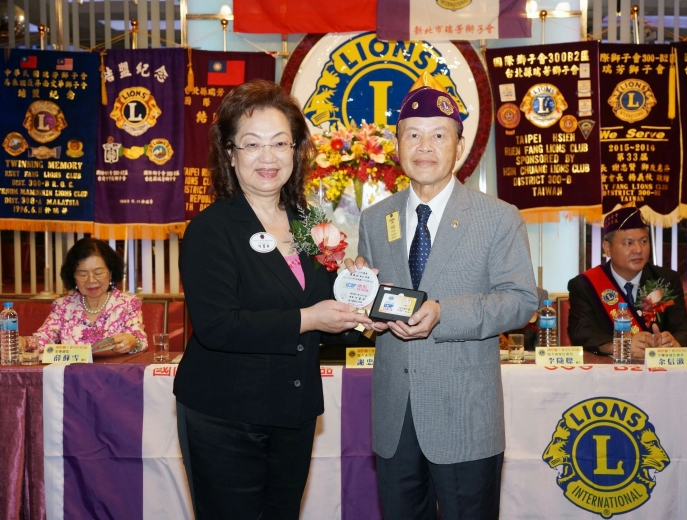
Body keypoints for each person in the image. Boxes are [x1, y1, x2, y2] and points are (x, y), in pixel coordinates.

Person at [173, 79, 371, 519]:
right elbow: (218, 326)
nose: (268, 156)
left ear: (296, 151)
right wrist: (309, 317)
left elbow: (322, 311)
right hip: (226, 414)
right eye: (252, 144)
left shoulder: (307, 223)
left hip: (293, 410)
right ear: (229, 153)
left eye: (280, 143)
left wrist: (358, 302)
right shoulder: (211, 229)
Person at [348, 73, 538, 520]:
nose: (425, 147)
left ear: (460, 144)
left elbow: (520, 300)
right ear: (397, 145)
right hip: (394, 416)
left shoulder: (498, 218)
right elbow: (372, 304)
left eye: (438, 135)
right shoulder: (375, 219)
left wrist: (442, 313)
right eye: (412, 135)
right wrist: (362, 306)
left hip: (465, 415)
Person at [567, 207, 687, 357]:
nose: (638, 249)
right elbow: (581, 333)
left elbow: (684, 331)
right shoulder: (585, 285)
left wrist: (674, 343)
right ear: (607, 248)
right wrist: (619, 346)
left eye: (643, 241)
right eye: (629, 243)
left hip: (656, 368)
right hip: (608, 368)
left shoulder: (666, 280)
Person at [31, 237, 146, 354]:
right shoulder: (63, 306)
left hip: (113, 366)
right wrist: (25, 343)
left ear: (110, 273)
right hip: (72, 366)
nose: (91, 280)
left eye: (98, 273)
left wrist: (133, 342)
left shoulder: (128, 304)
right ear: (73, 277)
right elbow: (42, 339)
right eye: (83, 274)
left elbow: (141, 341)